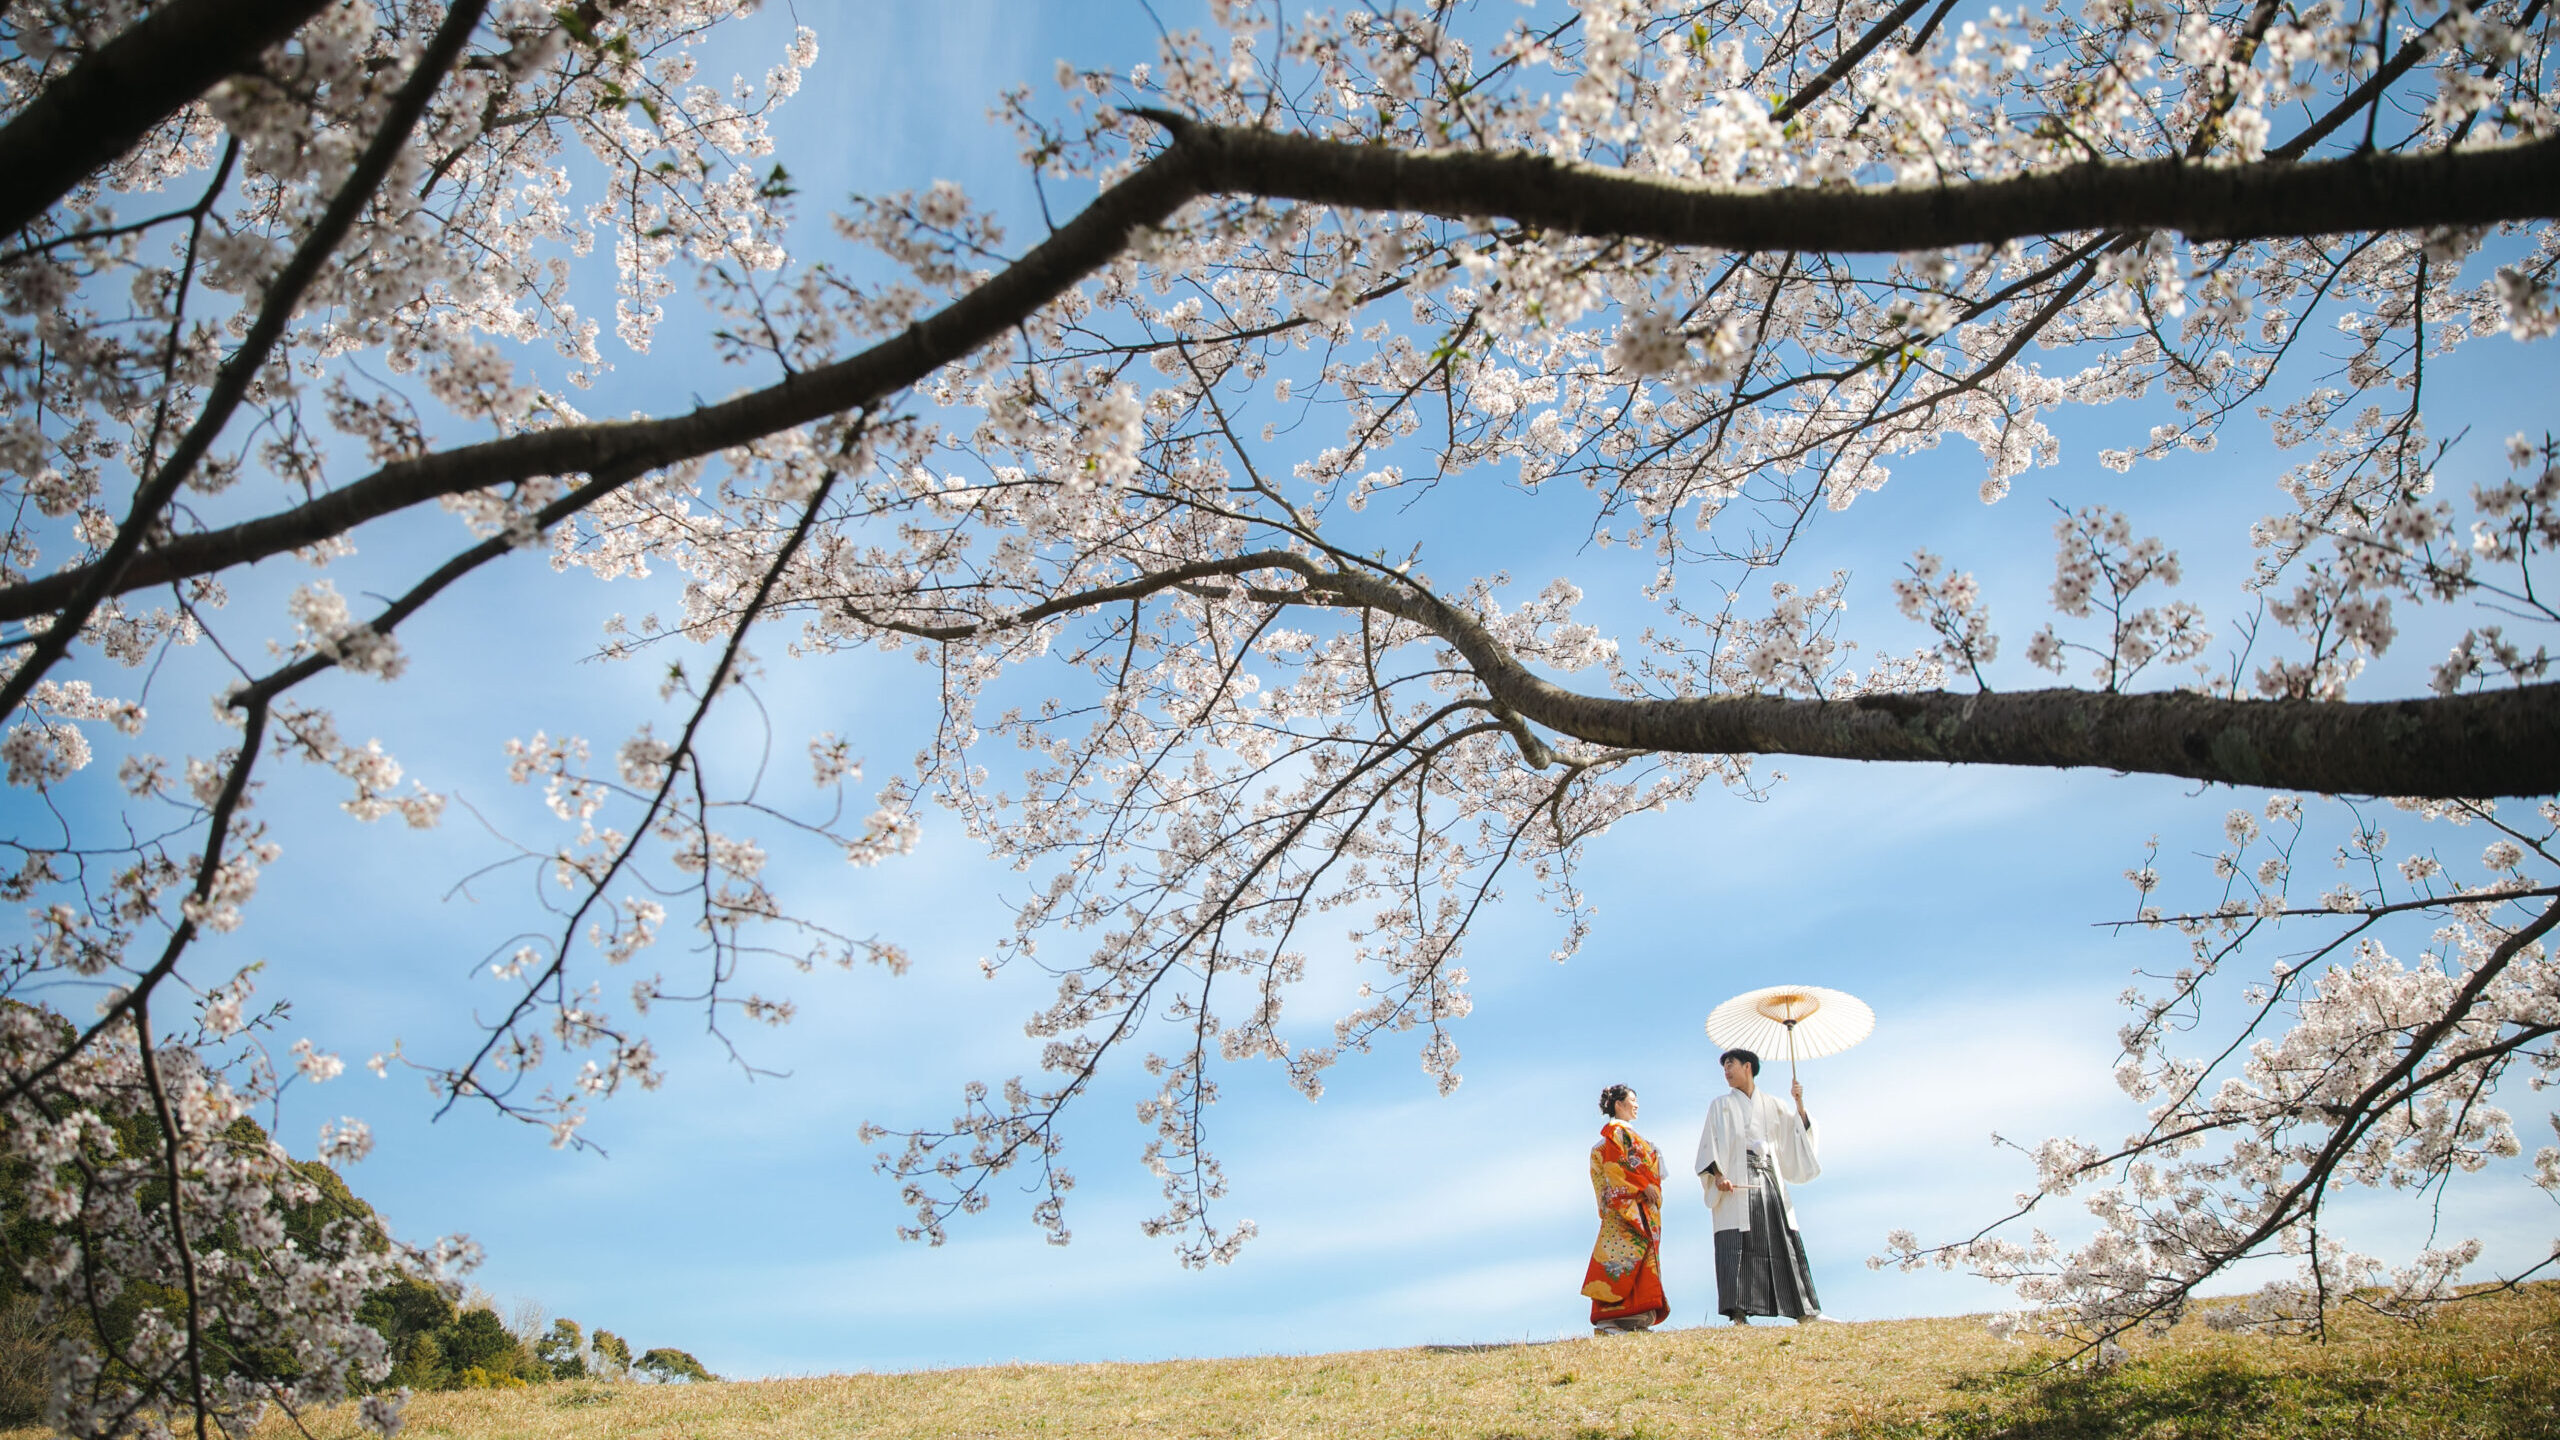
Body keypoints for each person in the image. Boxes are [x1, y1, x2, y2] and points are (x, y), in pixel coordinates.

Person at [1693, 1048, 1822, 1324]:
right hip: (1735, 1182)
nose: (1726, 1071)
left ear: (1748, 1067)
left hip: (1768, 1178)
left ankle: (1804, 1311)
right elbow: (1709, 1144)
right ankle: (1739, 1314)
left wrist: (1799, 1105)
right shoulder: (1721, 1105)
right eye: (1724, 1067)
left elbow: (1796, 1135)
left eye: (1731, 1065)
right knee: (1736, 1244)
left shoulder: (1774, 1104)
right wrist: (1718, 1175)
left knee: (1781, 1236)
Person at [1581, 1083, 1670, 1336]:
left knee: (1629, 1264)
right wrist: (1643, 1186)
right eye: (1632, 1100)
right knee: (1620, 1265)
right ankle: (1610, 1321)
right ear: (1618, 1104)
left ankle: (1633, 1321)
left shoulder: (1620, 1136)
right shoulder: (1616, 1134)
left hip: (1626, 1206)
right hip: (1628, 1207)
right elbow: (1618, 1167)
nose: (1636, 1105)